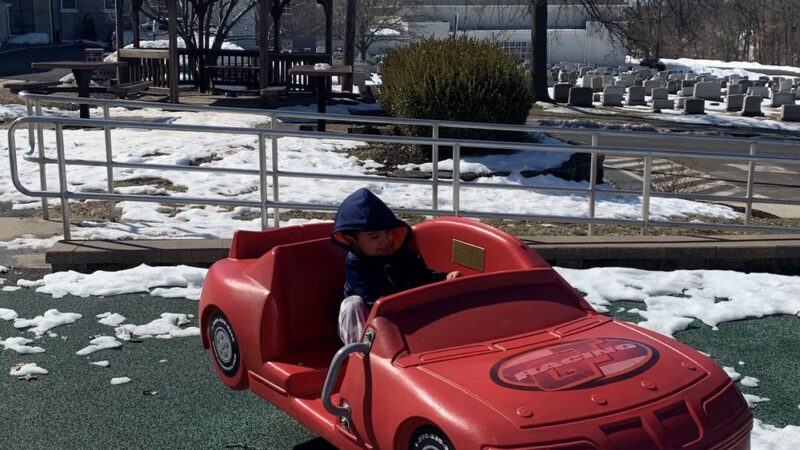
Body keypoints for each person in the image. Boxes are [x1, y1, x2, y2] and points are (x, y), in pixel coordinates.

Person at [331, 188, 460, 343]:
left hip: (404, 315)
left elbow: (421, 276)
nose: (385, 241)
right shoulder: (357, 265)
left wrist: (443, 278)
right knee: (352, 304)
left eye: (388, 233)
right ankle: (359, 351)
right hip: (372, 322)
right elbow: (373, 301)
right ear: (351, 239)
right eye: (375, 237)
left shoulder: (399, 253)